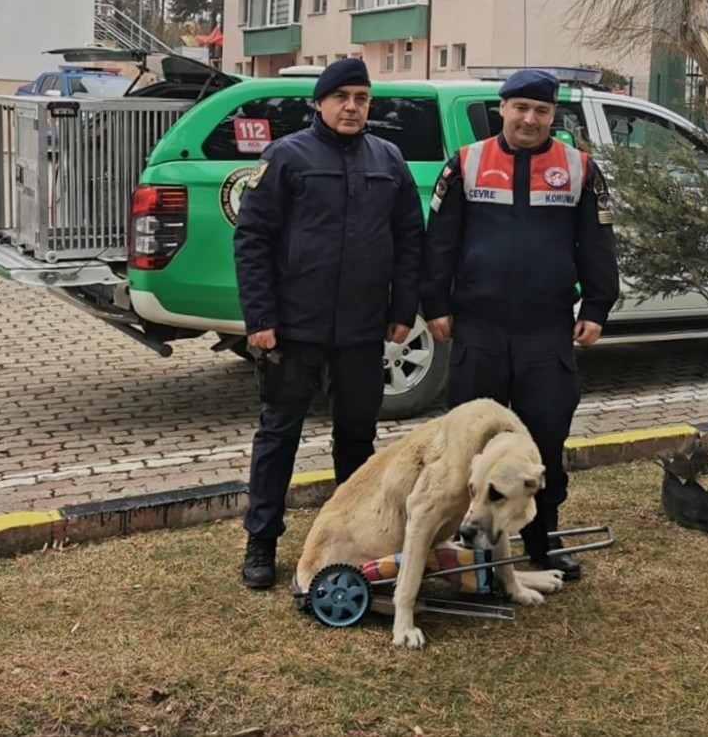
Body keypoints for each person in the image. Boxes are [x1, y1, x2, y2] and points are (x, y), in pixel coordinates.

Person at [419, 68, 619, 581]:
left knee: (544, 443)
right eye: (521, 108)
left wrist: (596, 307)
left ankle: (542, 540)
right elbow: (439, 242)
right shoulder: (466, 163)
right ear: (502, 108)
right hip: (478, 330)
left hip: (545, 333)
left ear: (553, 115)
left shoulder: (578, 168)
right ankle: (460, 541)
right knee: (468, 447)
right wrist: (435, 304)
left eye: (542, 111)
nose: (530, 119)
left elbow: (598, 244)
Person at [233, 57, 425, 589]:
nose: (352, 107)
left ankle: (352, 537)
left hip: (363, 329)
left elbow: (410, 239)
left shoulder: (388, 158)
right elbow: (252, 239)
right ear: (319, 103)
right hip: (295, 327)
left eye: (361, 98)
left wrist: (401, 311)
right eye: (341, 97)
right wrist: (261, 316)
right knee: (279, 435)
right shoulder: (286, 157)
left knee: (357, 438)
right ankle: (261, 539)